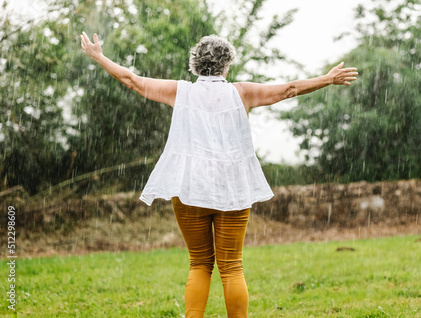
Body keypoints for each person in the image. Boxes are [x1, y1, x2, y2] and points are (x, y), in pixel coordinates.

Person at [80, 31, 357, 318]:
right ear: (227, 66)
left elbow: (132, 81)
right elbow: (289, 89)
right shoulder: (243, 92)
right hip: (233, 188)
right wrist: (327, 78)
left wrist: (100, 57)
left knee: (199, 263)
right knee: (232, 265)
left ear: (195, 65)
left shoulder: (179, 91)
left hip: (189, 188)